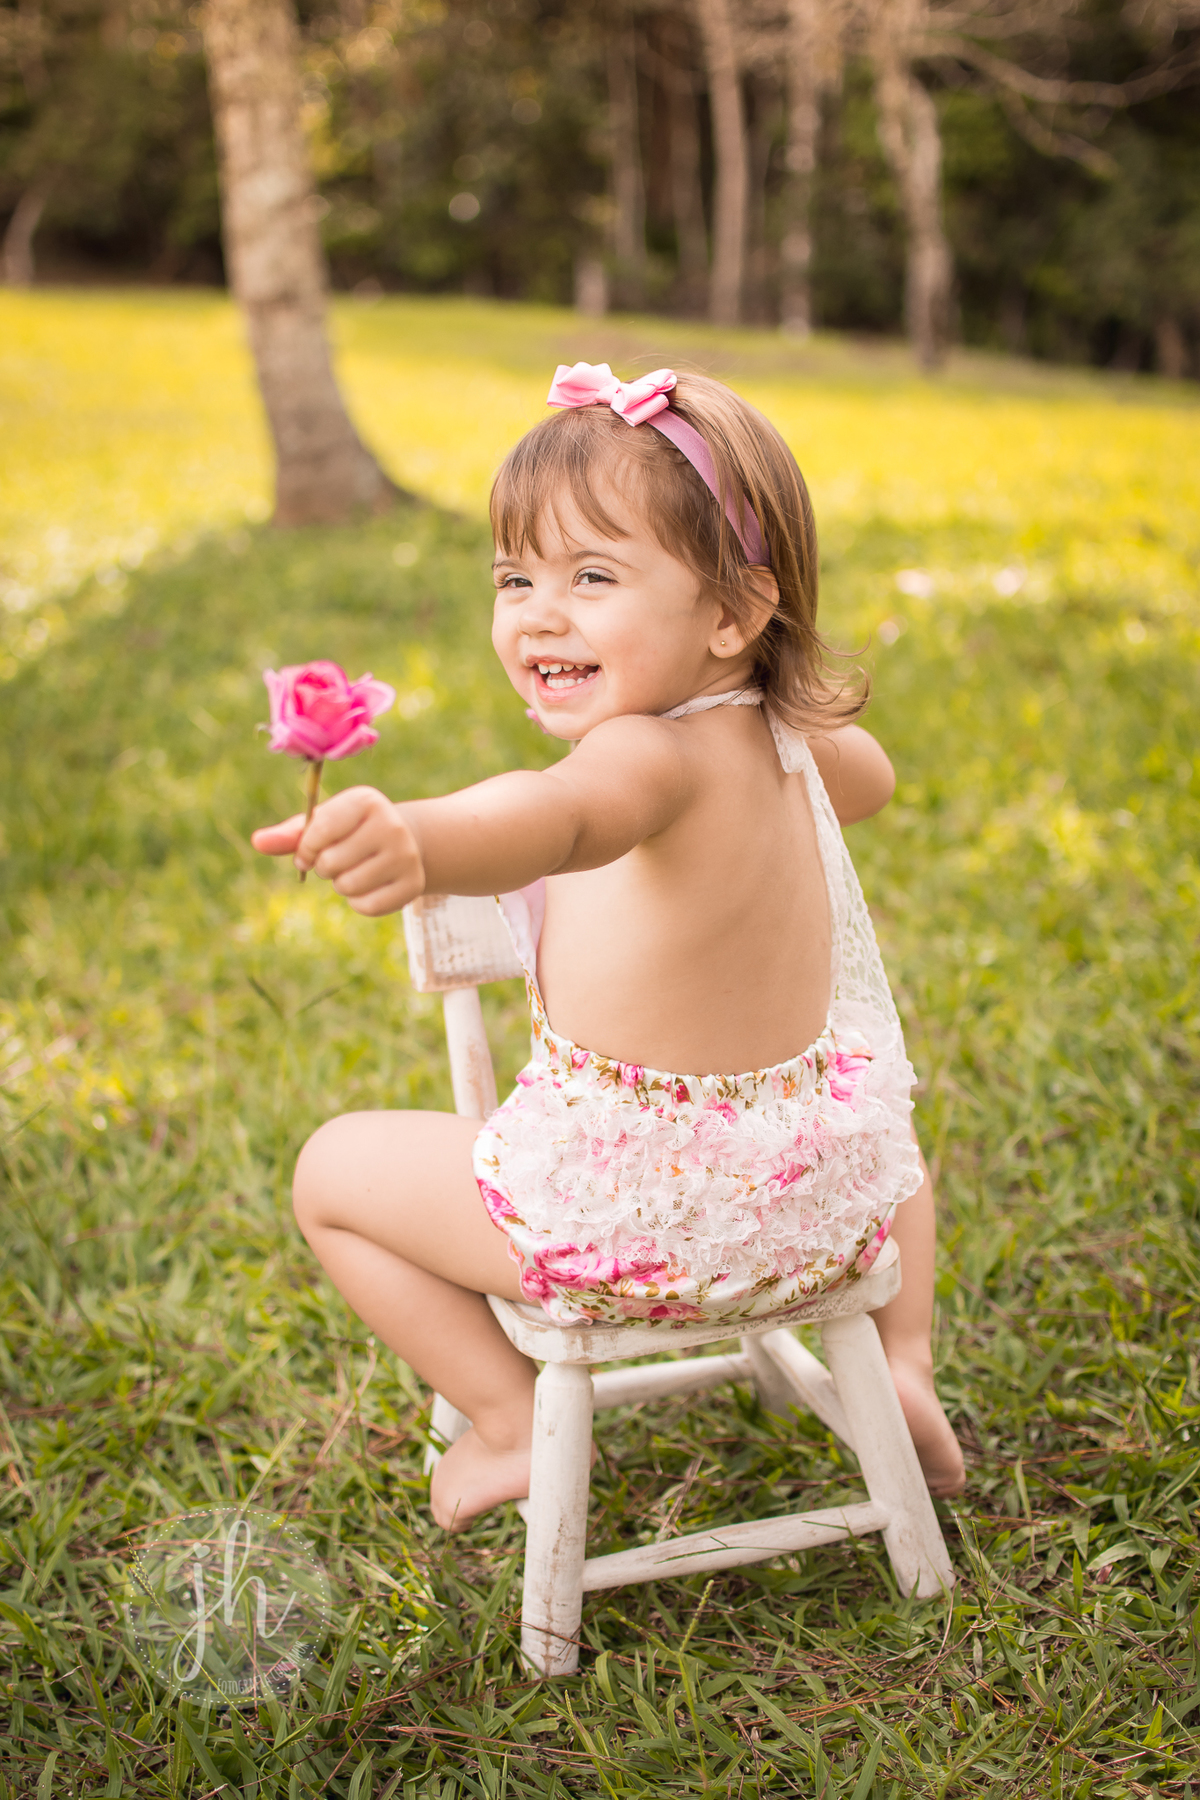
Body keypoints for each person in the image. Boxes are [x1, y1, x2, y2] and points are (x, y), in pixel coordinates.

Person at [252, 364, 966, 1530]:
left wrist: (419, 838)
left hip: (638, 1224)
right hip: (815, 1210)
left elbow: (553, 815)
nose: (540, 613)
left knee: (331, 1172)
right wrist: (789, 714)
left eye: (592, 576)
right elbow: (871, 777)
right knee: (886, 1122)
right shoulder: (792, 743)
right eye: (515, 577)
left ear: (733, 614)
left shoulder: (643, 758)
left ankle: (503, 1422)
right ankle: (903, 1364)